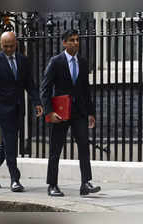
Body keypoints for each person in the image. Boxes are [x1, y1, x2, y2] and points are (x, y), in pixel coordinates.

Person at [40, 29, 101, 197]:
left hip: (79, 113)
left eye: (77, 40)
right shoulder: (56, 62)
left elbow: (85, 89)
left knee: (83, 146)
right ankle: (52, 185)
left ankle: (85, 183)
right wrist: (49, 112)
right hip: (60, 114)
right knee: (55, 149)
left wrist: (91, 112)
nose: (76, 43)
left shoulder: (82, 62)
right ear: (64, 43)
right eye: (72, 40)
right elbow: (44, 89)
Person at [0, 31, 43, 192]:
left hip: (18, 108)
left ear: (16, 44)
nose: (8, 49)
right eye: (5, 46)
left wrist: (37, 102)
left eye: (11, 46)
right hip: (2, 109)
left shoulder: (23, 60)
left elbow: (30, 84)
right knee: (11, 145)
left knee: (7, 144)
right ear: (1, 45)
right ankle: (15, 179)